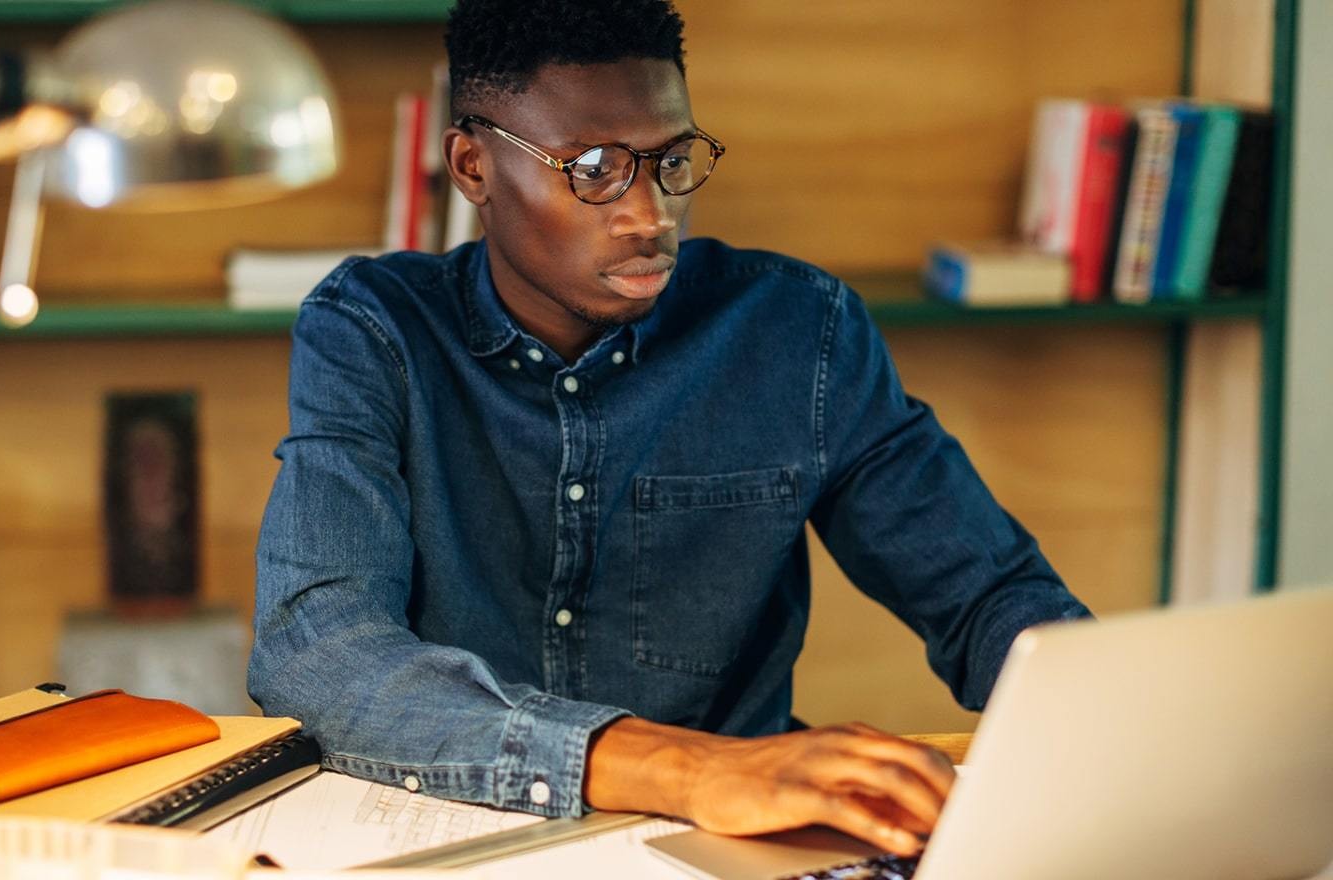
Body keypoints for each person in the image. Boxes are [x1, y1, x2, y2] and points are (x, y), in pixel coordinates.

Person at [248, 0, 1090, 857]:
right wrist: (690, 770)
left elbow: (987, 597)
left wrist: (1118, 729)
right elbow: (318, 650)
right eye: (594, 168)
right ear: (473, 168)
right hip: (459, 841)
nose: (650, 215)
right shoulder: (376, 331)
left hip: (739, 847)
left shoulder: (800, 333)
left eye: (672, 161)